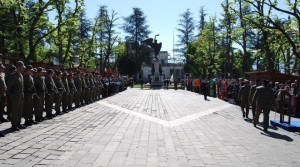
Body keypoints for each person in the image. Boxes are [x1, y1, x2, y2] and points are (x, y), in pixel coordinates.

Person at [7, 61, 26, 131]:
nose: (23, 69)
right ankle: (14, 124)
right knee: (15, 111)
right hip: (15, 97)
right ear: (18, 67)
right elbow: (9, 86)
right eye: (22, 67)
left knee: (20, 110)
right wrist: (9, 95)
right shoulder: (13, 75)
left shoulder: (21, 75)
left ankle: (18, 122)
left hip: (20, 96)